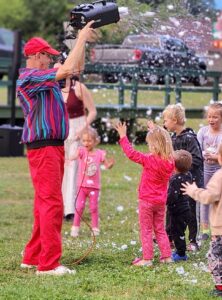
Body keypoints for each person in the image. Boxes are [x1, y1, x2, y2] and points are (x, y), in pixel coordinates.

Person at [16, 21, 97, 275]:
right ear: (36, 56)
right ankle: (48, 264)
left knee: (44, 203)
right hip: (44, 148)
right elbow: (68, 67)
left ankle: (32, 256)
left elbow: (76, 67)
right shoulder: (29, 77)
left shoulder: (45, 76)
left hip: (49, 147)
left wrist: (80, 42)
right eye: (47, 56)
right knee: (52, 204)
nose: (50, 60)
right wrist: (81, 37)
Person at [114, 121, 175, 266]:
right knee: (159, 229)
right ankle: (167, 257)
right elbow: (162, 140)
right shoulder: (170, 162)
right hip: (160, 202)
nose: (148, 147)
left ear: (155, 145)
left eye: (150, 144)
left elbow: (131, 153)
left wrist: (123, 136)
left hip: (146, 201)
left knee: (146, 230)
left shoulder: (149, 160)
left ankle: (147, 259)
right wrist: (155, 131)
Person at [181, 143, 222, 297]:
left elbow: (209, 196)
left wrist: (193, 190)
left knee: (216, 256)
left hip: (220, 228)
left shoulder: (219, 176)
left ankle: (220, 287)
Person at [163, 103, 204, 252]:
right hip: (175, 183)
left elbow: (198, 159)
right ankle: (169, 236)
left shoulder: (189, 138)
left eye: (166, 120)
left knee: (191, 211)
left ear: (174, 120)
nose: (164, 123)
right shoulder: (173, 138)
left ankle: (193, 241)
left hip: (191, 183)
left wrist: (182, 168)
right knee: (171, 207)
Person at [61, 75, 97, 222]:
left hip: (77, 130)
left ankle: (71, 208)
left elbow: (92, 111)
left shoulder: (78, 88)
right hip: (61, 131)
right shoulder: (54, 88)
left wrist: (81, 130)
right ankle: (61, 205)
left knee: (74, 168)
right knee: (62, 166)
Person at [67, 127, 114, 237]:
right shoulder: (82, 151)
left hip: (94, 187)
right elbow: (73, 157)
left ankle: (95, 228)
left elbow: (107, 165)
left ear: (95, 141)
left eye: (89, 141)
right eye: (84, 141)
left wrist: (110, 165)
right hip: (82, 186)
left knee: (93, 207)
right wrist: (69, 159)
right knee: (79, 207)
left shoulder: (100, 154)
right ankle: (75, 227)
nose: (86, 143)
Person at [197, 102, 222, 241]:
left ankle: (218, 229)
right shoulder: (203, 132)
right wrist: (203, 155)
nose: (211, 119)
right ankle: (205, 228)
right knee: (205, 198)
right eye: (209, 116)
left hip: (220, 171)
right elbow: (197, 149)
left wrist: (217, 157)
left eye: (215, 117)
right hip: (205, 170)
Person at [166, 150, 192, 262]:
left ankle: (181, 254)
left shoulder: (175, 179)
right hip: (186, 209)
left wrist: (164, 200)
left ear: (174, 166)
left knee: (177, 232)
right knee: (178, 231)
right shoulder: (188, 175)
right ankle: (179, 250)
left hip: (177, 211)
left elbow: (172, 196)